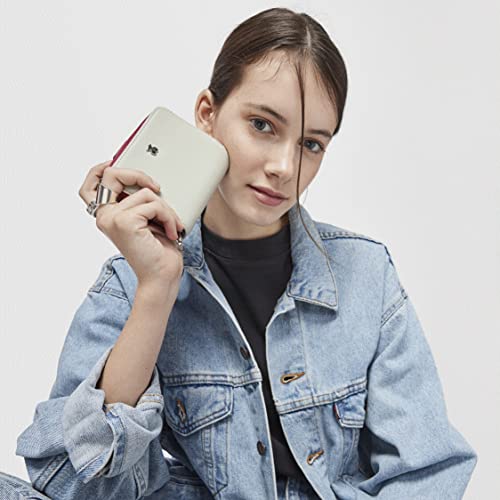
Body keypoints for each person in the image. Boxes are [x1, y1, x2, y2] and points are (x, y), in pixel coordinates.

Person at [13, 7, 477, 500]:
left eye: (311, 144)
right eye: (262, 124)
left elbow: (427, 472)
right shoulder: (130, 285)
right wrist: (158, 286)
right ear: (207, 114)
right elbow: (72, 482)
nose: (284, 167)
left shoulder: (365, 275)